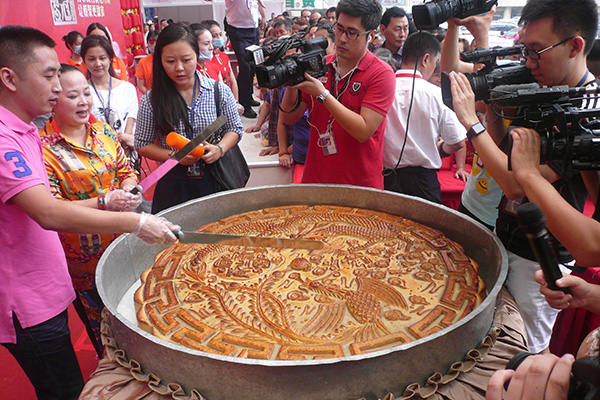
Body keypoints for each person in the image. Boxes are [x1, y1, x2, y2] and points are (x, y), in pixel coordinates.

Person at [0, 25, 176, 400]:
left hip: (51, 285)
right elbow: (48, 212)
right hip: (28, 300)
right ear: (9, 78)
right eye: (49, 76)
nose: (57, 87)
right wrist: (136, 221)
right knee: (63, 388)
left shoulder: (25, 132)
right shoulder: (5, 140)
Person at [449, 0, 599, 354]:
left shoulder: (588, 114)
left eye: (537, 51)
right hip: (505, 231)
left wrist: (472, 124)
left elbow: (517, 184)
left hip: (540, 254)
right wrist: (494, 108)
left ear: (575, 46)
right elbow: (506, 156)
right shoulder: (546, 88)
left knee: (521, 350)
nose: (529, 63)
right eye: (524, 50)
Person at [40, 64, 141, 357]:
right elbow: (51, 208)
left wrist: (129, 188)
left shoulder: (102, 130)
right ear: (53, 100)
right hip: (84, 261)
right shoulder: (43, 148)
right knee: (106, 334)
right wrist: (103, 202)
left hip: (124, 244)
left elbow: (126, 169)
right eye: (73, 96)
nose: (83, 101)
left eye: (86, 92)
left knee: (136, 313)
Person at [279, 0, 396, 189]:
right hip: (316, 179)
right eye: (339, 29)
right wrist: (293, 83)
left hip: (360, 185)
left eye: (352, 33)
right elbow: (289, 117)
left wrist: (323, 95)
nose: (341, 38)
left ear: (371, 35)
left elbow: (364, 131)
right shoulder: (320, 65)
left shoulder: (381, 74)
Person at [135, 24, 243, 214]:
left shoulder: (219, 91)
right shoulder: (151, 100)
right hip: (174, 183)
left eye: (186, 60)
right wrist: (175, 156)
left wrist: (220, 149)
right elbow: (142, 144)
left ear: (196, 55)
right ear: (159, 60)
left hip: (215, 178)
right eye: (170, 61)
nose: (179, 68)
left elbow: (235, 128)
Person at [383, 32, 465, 203]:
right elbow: (458, 141)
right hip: (423, 182)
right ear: (426, 59)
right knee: (425, 229)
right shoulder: (437, 95)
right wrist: (440, 149)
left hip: (386, 179)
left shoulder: (382, 91)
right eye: (435, 63)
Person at [81, 35, 138, 164]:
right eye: (91, 59)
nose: (97, 64)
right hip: (93, 159)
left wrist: (125, 155)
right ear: (84, 60)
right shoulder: (81, 90)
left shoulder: (127, 89)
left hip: (125, 156)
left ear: (110, 59)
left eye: (102, 58)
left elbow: (130, 123)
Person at [224, 0, 266, 118]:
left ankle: (249, 96)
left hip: (253, 28)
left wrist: (263, 16)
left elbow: (257, 4)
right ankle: (244, 104)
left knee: (254, 64)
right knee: (245, 66)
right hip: (238, 29)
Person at [204, 20, 240, 101]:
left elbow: (233, 81)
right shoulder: (206, 59)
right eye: (214, 36)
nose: (219, 38)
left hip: (230, 97)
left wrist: (236, 101)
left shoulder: (224, 56)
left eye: (220, 34)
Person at [377, 7, 411, 71]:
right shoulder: (374, 53)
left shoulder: (411, 56)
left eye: (405, 29)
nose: (402, 34)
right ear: (383, 29)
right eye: (397, 29)